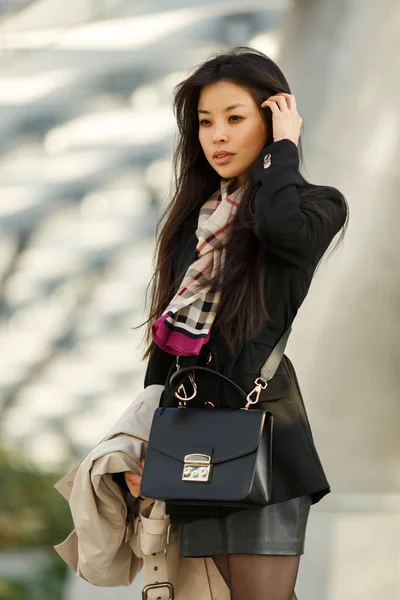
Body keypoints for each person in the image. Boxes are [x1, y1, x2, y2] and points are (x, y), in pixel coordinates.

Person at [125, 46, 349, 600]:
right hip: (192, 438)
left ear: (271, 121)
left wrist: (283, 151)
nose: (217, 136)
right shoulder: (190, 223)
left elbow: (280, 229)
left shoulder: (315, 208)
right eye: (205, 122)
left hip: (265, 434)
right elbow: (168, 345)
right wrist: (143, 439)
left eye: (235, 118)